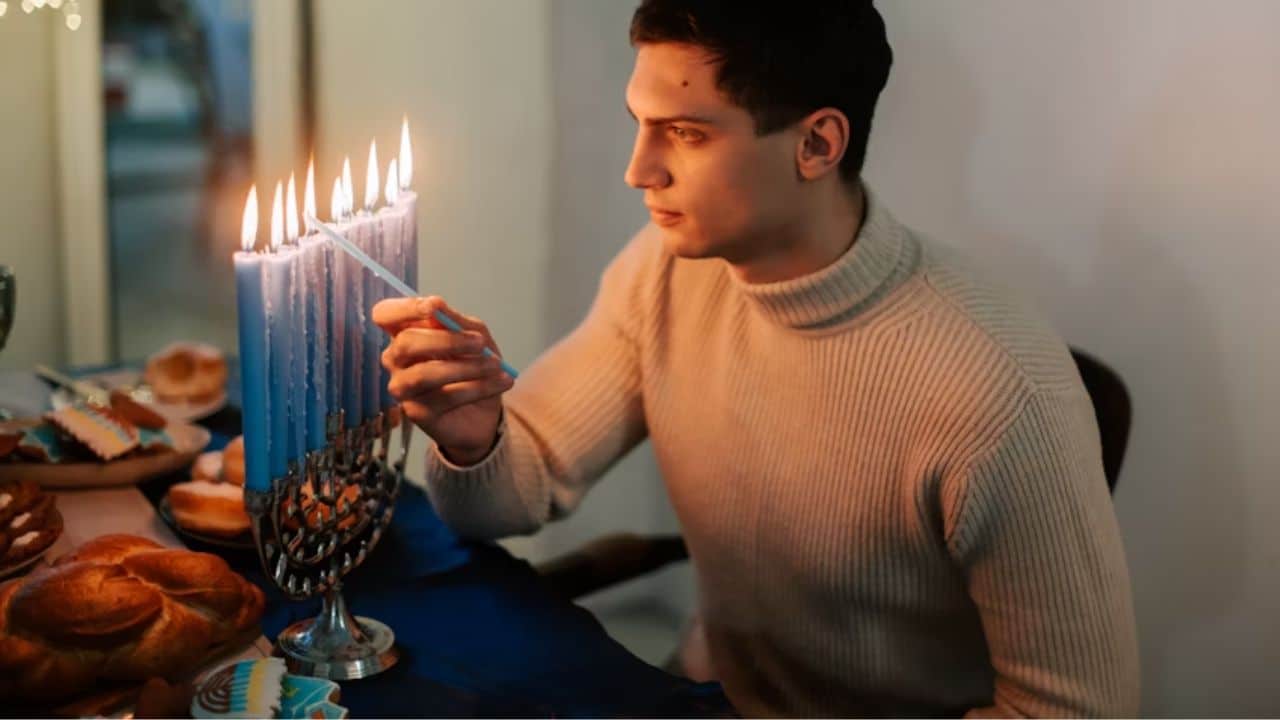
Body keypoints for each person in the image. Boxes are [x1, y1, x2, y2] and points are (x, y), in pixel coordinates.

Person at [372, 1, 1140, 715]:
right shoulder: (667, 269)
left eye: (687, 133)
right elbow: (509, 496)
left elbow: (1072, 710)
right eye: (641, 124)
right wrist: (474, 437)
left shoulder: (1001, 389)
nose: (640, 171)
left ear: (816, 144)